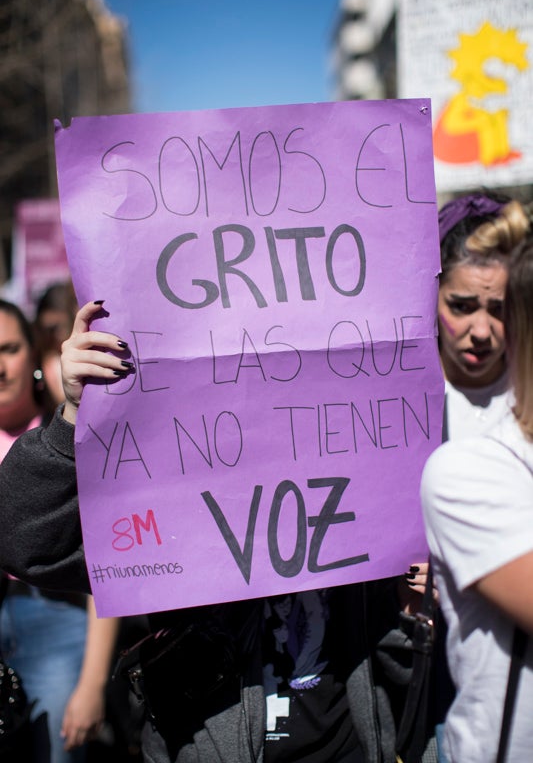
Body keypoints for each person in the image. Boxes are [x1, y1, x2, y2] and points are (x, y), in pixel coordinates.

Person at [0, 296, 425, 763]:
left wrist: (416, 613)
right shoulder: (173, 496)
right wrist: (75, 414)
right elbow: (25, 541)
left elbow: (406, 666)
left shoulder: (358, 481)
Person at [404, 192, 531, 758]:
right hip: (425, 676)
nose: (481, 331)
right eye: (461, 305)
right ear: (429, 297)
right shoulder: (391, 406)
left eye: (499, 309)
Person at [0, 299, 119, 763]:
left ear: (34, 354)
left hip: (62, 615)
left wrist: (91, 683)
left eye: (8, 348)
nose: (0, 365)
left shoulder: (73, 429)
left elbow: (109, 559)